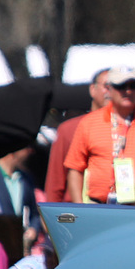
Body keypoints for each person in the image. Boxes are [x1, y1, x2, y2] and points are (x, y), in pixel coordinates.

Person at [65, 68, 135, 210]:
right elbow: (75, 168)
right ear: (109, 89)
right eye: (121, 86)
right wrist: (79, 206)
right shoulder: (90, 123)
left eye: (133, 86)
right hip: (101, 208)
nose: (128, 91)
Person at [44, 68, 109, 202]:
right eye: (107, 86)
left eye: (118, 87)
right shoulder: (69, 129)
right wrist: (50, 219)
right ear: (93, 89)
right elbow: (55, 182)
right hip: (77, 213)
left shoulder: (129, 129)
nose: (112, 92)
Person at [0, 145, 41, 262]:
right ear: (13, 151)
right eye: (26, 147)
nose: (30, 151)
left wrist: (33, 230)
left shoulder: (27, 178)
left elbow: (35, 213)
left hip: (20, 251)